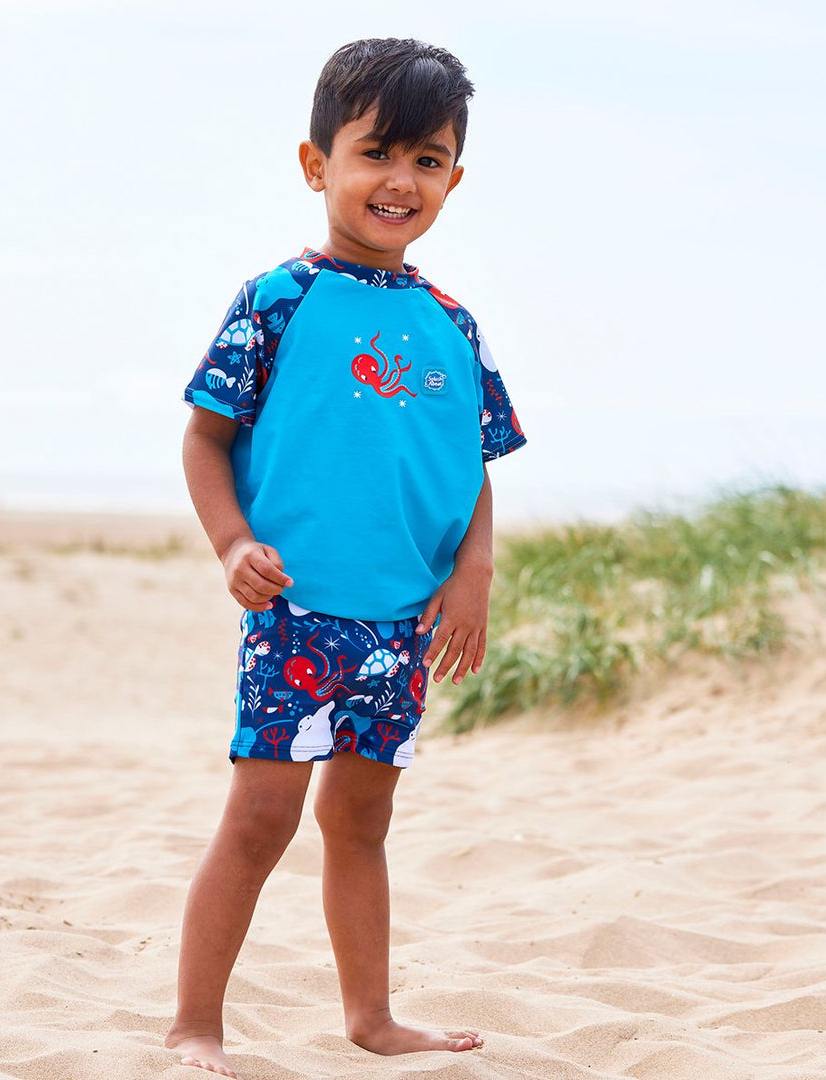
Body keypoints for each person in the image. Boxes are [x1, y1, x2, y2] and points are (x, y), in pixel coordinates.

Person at [166, 37, 527, 1079]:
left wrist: (473, 572)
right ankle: (196, 1022)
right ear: (316, 163)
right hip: (298, 612)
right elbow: (205, 437)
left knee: (360, 822)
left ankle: (370, 1016)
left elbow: (475, 466)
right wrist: (232, 544)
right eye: (376, 154)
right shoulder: (278, 300)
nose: (399, 181)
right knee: (261, 818)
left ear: (453, 178)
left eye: (426, 159)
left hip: (402, 622)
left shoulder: (454, 325)